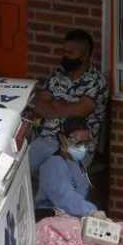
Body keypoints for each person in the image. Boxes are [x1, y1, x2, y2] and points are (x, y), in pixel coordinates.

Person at [29, 29, 109, 174]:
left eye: (70, 53)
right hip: (46, 139)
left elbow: (79, 112)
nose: (65, 56)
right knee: (17, 168)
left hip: (76, 146)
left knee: (53, 174)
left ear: (84, 56)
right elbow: (39, 106)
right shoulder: (57, 74)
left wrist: (54, 106)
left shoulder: (97, 82)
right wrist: (64, 108)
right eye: (64, 52)